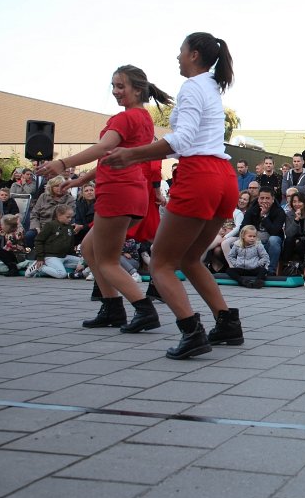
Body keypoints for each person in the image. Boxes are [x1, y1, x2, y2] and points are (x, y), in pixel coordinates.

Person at [102, 31, 242, 359]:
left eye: (181, 51)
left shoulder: (193, 86)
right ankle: (226, 323)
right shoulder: (210, 86)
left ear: (194, 54)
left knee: (162, 263)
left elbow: (183, 139)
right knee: (191, 258)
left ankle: (191, 332)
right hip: (223, 177)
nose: (177, 57)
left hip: (199, 176)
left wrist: (133, 155)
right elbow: (189, 139)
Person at [37, 65, 168, 332]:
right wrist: (81, 180)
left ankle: (144, 309)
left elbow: (105, 148)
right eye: (114, 86)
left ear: (138, 89)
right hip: (129, 190)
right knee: (88, 249)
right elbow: (112, 156)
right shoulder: (144, 119)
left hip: (117, 191)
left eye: (121, 86)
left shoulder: (124, 119)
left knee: (106, 259)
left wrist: (63, 163)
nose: (115, 91)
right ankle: (112, 308)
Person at [27, 205, 80, 278]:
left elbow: (71, 244)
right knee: (61, 274)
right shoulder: (50, 225)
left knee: (86, 263)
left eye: (71, 217)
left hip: (64, 256)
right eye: (67, 217)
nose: (70, 219)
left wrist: (74, 255)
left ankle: (57, 266)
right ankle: (40, 267)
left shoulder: (69, 227)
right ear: (59, 215)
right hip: (51, 256)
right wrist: (40, 257)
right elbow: (39, 241)